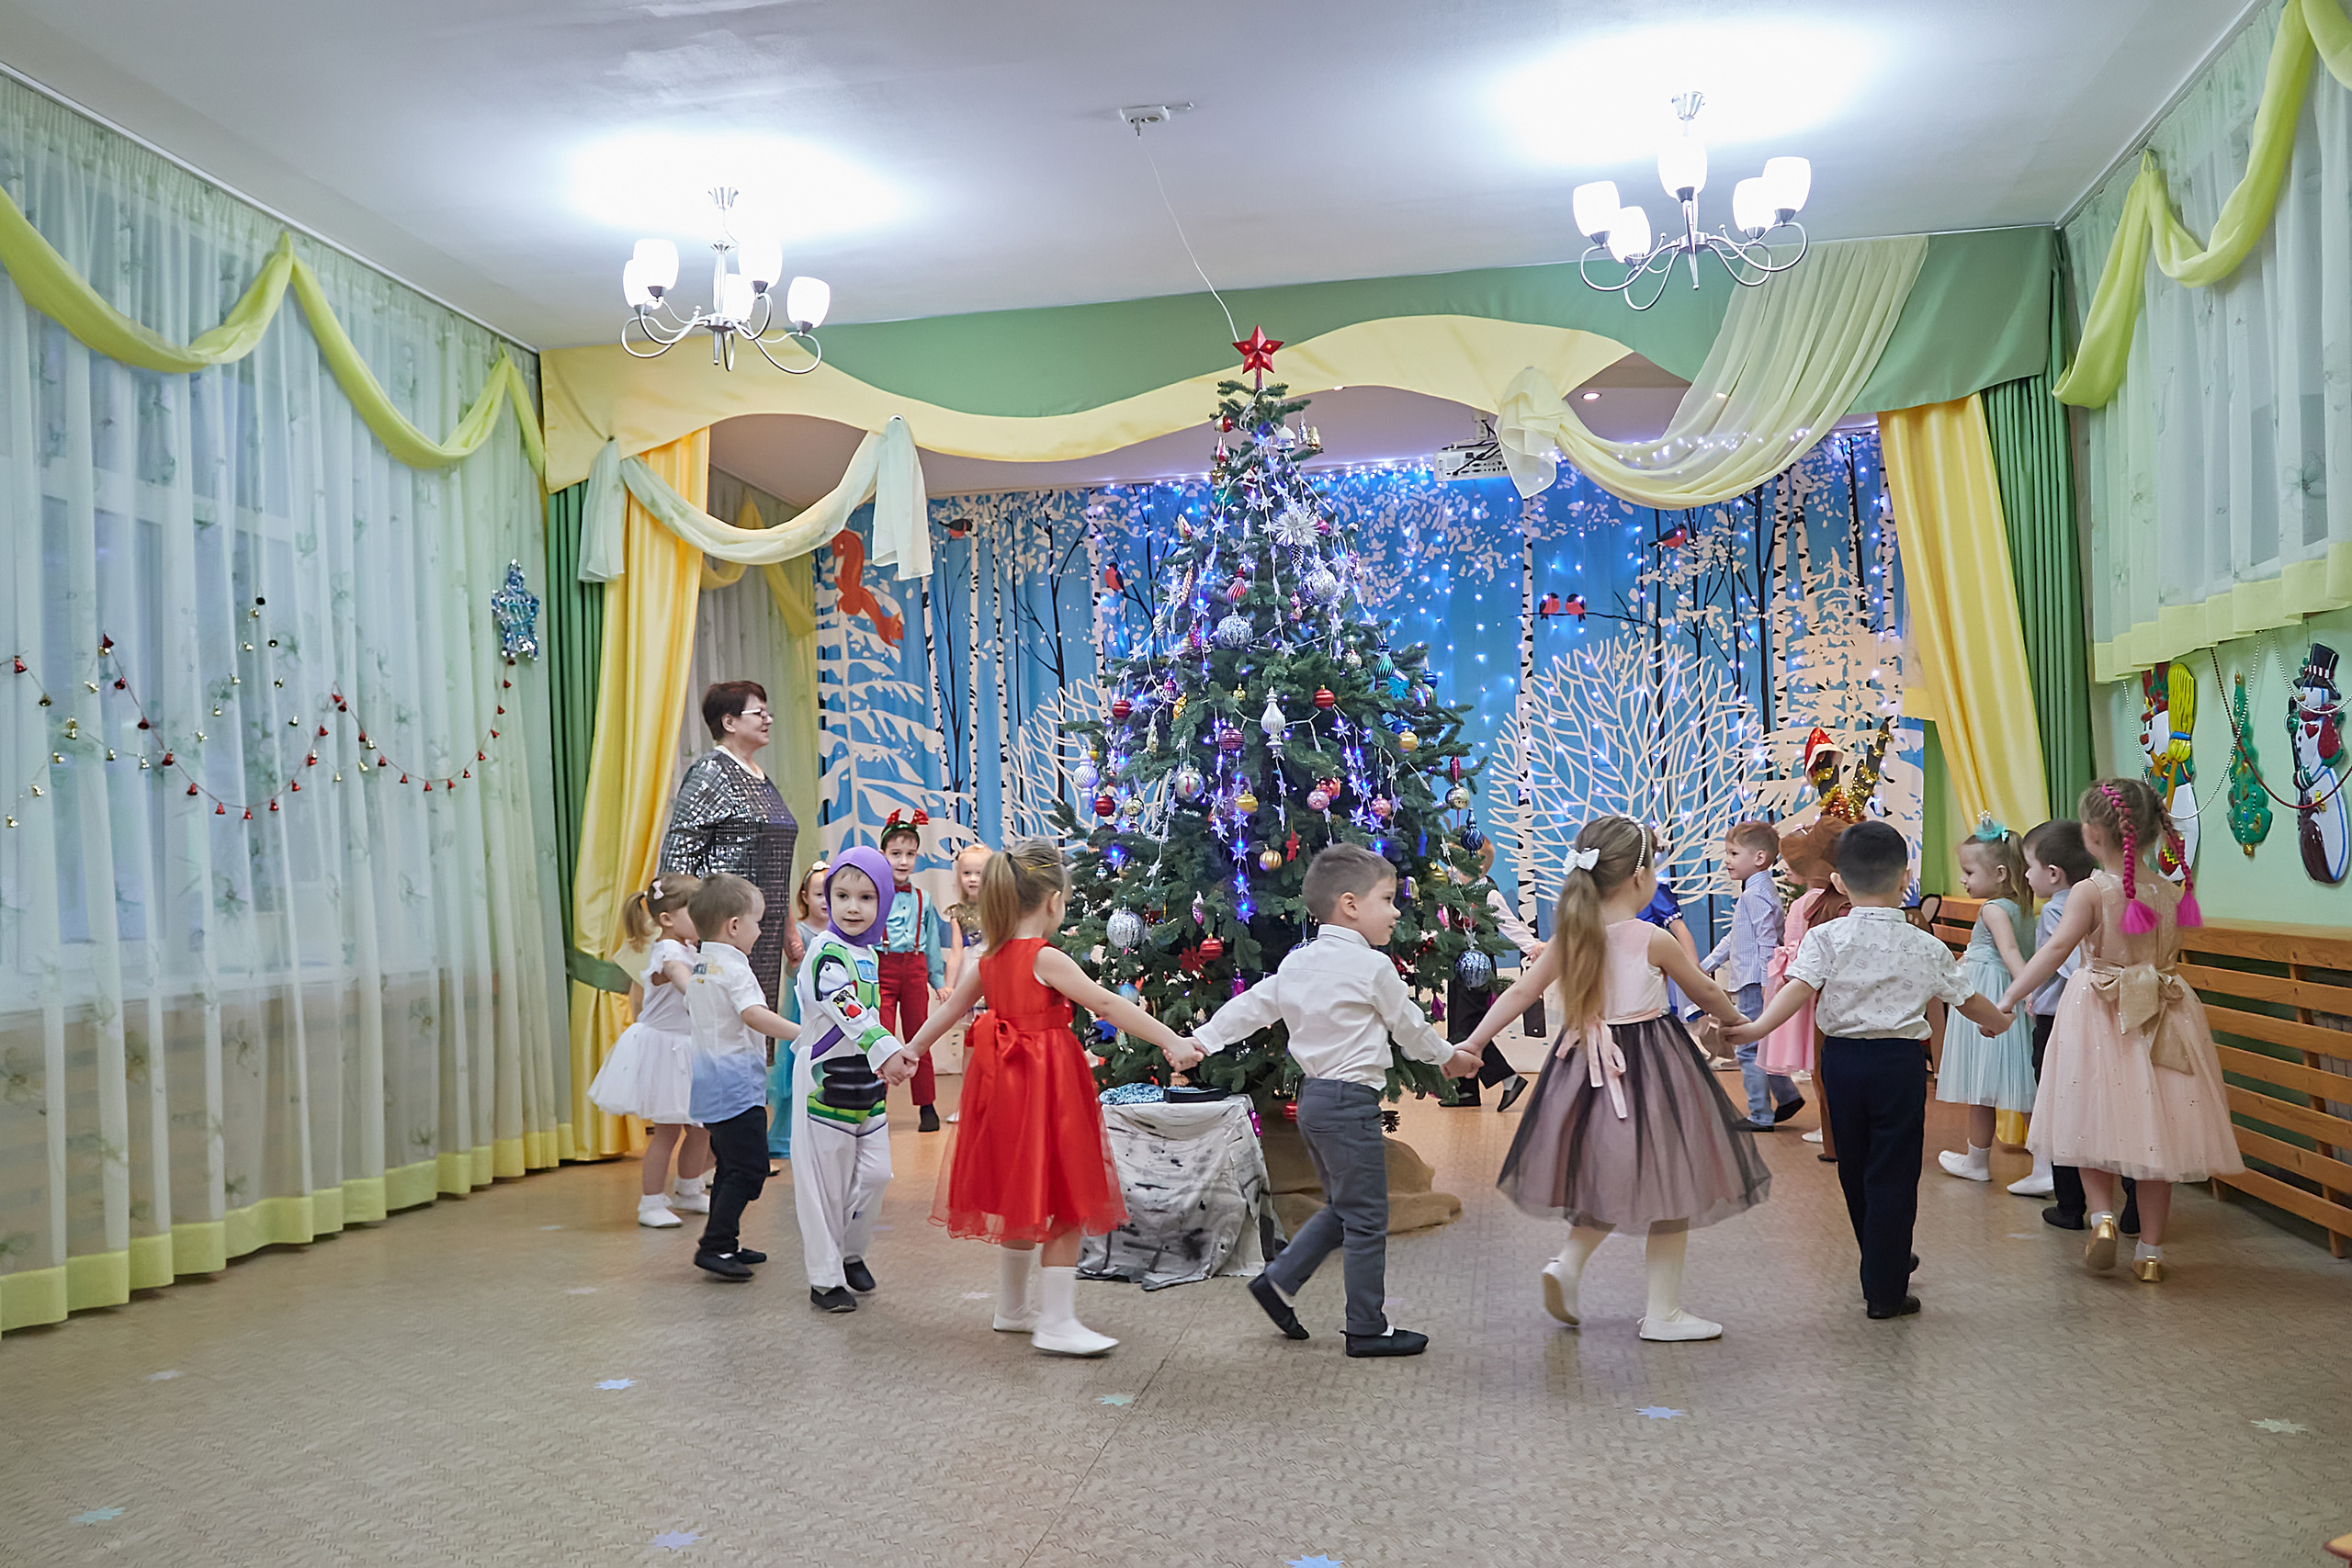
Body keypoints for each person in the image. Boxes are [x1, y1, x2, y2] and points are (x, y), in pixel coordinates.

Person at [1460, 817, 1769, 1343]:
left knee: (1605, 1171)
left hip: (1582, 1068)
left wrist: (1472, 1043)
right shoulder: (1652, 937)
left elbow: (1518, 995)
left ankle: (1568, 1263)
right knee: (1674, 1181)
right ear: (1640, 877)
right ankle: (1663, 1313)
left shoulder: (1571, 935)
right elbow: (1706, 993)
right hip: (1653, 1066)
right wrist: (1739, 1023)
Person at [1185, 843, 1479, 1358]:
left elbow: (1251, 1007)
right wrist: (1449, 1058)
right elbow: (1411, 1031)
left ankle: (1278, 1281)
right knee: (1366, 1217)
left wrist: (1202, 1041)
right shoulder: (1372, 968)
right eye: (1387, 899)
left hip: (1315, 1101)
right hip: (1348, 1104)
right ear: (1349, 904)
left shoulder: (1299, 964)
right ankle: (1366, 1328)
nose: (1395, 911)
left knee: (1346, 1204)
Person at [902, 840, 1193, 1356]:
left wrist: (912, 1049)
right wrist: (1169, 1039)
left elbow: (947, 1015)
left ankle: (1012, 1309)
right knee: (1063, 1194)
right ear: (1054, 901)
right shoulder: (1045, 957)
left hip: (1003, 1089)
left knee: (1020, 1193)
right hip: (1045, 1086)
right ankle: (1056, 1322)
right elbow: (1104, 1003)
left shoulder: (990, 959)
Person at [1728, 821, 2014, 1320]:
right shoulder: (1924, 944)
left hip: (1841, 1063)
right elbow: (1964, 998)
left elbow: (1796, 990)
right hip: (1898, 1067)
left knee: (1856, 1169)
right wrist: (2000, 1022)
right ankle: (1886, 1284)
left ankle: (1881, 1257)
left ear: (1839, 881)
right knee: (1895, 1174)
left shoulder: (1826, 937)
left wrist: (1754, 1030)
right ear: (1906, 878)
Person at [1996, 780, 2245, 1283]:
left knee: (2091, 1119)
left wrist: (2007, 997)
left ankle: (2103, 1217)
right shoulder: (2170, 891)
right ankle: (2150, 1253)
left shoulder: (2090, 891)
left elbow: (2054, 951)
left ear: (2091, 835)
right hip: (2164, 1011)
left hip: (2100, 1010)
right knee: (2157, 1139)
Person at [789, 847, 921, 1312]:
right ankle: (825, 1279)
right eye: (840, 895)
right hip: (825, 1082)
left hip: (864, 1084)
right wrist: (889, 1052)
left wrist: (886, 1056)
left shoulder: (868, 953)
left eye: (865, 897)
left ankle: (848, 1254)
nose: (850, 907)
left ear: (882, 901)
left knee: (875, 1175)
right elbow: (844, 1005)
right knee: (824, 1186)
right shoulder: (826, 950)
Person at [2015, 821, 2137, 1227]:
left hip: (2066, 1022)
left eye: (2029, 867)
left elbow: (2070, 965)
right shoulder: (2119, 895)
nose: (2026, 876)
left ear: (2053, 873)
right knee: (2124, 1112)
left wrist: (2021, 993)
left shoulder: (2059, 908)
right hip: (2124, 1014)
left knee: (2066, 1110)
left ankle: (2071, 1207)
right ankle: (2133, 1207)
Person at [679, 874, 800, 1281]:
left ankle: (724, 1241)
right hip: (735, 1089)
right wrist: (803, 1033)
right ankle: (714, 1245)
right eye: (758, 922)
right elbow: (752, 1014)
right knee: (749, 1169)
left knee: (731, 1166)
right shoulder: (734, 968)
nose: (760, 931)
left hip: (710, 1085)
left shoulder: (701, 964)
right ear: (734, 926)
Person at [661, 681, 805, 1015]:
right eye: (759, 713)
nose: (768, 719)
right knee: (726, 1026)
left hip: (762, 930)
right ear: (729, 722)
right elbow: (677, 857)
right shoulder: (712, 771)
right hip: (722, 929)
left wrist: (788, 927)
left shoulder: (760, 777)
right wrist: (689, 928)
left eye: (768, 712)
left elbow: (775, 863)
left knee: (757, 1026)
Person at [586, 874, 711, 1228]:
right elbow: (679, 976)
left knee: (701, 1127)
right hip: (665, 1049)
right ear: (667, 919)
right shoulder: (668, 951)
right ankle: (651, 1202)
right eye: (696, 911)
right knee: (669, 1130)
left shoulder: (689, 946)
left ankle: (689, 1186)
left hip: (688, 1048)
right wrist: (699, 992)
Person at [1935, 818, 2040, 1182]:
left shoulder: (1993, 909)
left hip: (1991, 1000)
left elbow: (2010, 953)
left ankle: (1978, 1161)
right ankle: (2044, 1165)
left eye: (1968, 871)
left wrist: (2024, 991)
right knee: (2025, 1084)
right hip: (2007, 996)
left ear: (1999, 873)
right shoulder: (2025, 908)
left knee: (1981, 1087)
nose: (1963, 879)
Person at [1702, 818, 1802, 1132]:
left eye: (1732, 854)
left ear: (1759, 858)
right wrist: (1707, 966)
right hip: (1752, 979)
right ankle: (1787, 1097)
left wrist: (1766, 981)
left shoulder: (1755, 894)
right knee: (1762, 1043)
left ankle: (1760, 1115)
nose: (1726, 861)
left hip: (1754, 981)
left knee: (1749, 1048)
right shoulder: (1754, 891)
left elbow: (1766, 940)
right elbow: (1737, 937)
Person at [1765, 818, 1851, 1161]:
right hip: (1819, 987)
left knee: (1823, 1065)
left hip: (1816, 990)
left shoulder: (1816, 903)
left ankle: (1834, 1134)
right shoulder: (1828, 901)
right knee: (1823, 1065)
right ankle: (1833, 1132)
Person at [1446, 840, 1542, 1111]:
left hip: (1477, 968)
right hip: (1456, 965)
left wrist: (1532, 946)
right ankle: (1465, 1091)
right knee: (1456, 1024)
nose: (1451, 868)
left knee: (1468, 1026)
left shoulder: (1489, 893)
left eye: (1457, 862)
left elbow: (1510, 924)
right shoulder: (1454, 892)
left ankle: (1508, 1077)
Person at [876, 812, 948, 1132]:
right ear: (883, 856)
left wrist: (939, 981)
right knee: (880, 1036)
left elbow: (932, 943)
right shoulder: (874, 895)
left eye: (910, 854)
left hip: (915, 969)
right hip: (882, 967)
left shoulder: (924, 898)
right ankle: (876, 1105)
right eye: (896, 854)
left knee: (920, 1036)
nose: (903, 861)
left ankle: (927, 1106)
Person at [767, 860, 829, 1170]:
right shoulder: (801, 933)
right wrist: (796, 957)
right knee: (797, 1073)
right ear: (804, 897)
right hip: (803, 1013)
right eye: (819, 894)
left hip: (833, 1017)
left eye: (832, 894)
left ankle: (824, 1133)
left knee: (827, 1074)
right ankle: (784, 1138)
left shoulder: (842, 933)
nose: (826, 901)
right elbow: (792, 972)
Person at [940, 841, 992, 1125]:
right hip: (970, 980)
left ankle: (997, 1103)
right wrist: (950, 986)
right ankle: (968, 1103)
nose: (973, 879)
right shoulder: (957, 913)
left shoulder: (999, 907)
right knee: (970, 1046)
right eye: (967, 873)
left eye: (979, 873)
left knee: (997, 1044)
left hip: (993, 976)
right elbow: (957, 953)